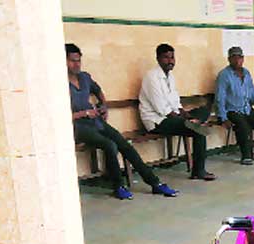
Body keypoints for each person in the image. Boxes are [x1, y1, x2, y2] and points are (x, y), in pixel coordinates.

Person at [65, 43, 178, 200]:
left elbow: (97, 90)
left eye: (78, 60)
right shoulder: (58, 83)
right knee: (110, 145)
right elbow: (58, 117)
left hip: (95, 121)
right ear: (63, 61)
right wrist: (83, 113)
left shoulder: (84, 77)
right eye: (72, 61)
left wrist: (103, 105)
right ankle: (118, 186)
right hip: (77, 127)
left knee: (124, 143)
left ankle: (155, 183)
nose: (76, 64)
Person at [139, 44, 216, 181]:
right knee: (199, 130)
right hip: (157, 121)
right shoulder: (151, 77)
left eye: (172, 57)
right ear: (158, 58)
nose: (170, 61)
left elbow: (176, 104)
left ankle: (195, 123)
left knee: (203, 111)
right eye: (166, 57)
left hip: (173, 118)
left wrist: (188, 116)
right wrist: (185, 121)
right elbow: (162, 109)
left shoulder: (170, 77)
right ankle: (199, 171)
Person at [216, 46, 254, 165]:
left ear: (243, 58)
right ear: (229, 59)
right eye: (234, 57)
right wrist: (223, 118)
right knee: (243, 126)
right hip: (232, 111)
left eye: (240, 57)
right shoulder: (224, 75)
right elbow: (220, 98)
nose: (238, 60)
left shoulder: (246, 73)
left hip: (247, 109)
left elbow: (253, 95)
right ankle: (246, 155)